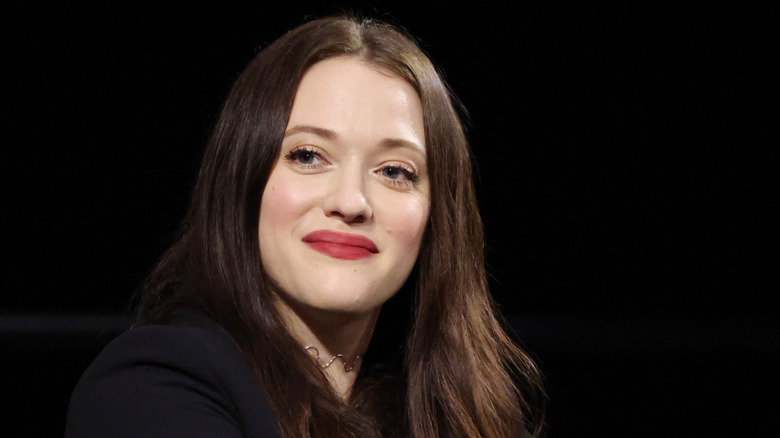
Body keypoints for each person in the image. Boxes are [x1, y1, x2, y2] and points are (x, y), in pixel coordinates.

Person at [65, 15, 546, 438]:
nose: (351, 202)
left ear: (438, 214)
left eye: (395, 171)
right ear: (244, 180)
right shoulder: (151, 386)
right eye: (308, 156)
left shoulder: (471, 412)